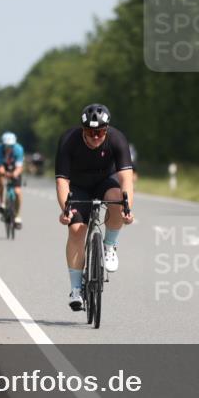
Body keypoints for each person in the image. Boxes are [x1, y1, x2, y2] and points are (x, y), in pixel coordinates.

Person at [55, 103, 134, 311]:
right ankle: (76, 289)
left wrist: (127, 209)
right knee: (76, 229)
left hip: (105, 183)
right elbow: (62, 181)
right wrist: (65, 210)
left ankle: (110, 246)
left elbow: (126, 179)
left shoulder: (117, 139)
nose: (96, 136)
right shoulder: (69, 140)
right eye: (91, 132)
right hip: (78, 187)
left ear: (106, 129)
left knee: (117, 198)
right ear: (83, 130)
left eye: (100, 132)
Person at [0, 132, 25, 227]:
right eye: (6, 146)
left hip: (15, 167)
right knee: (0, 179)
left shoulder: (19, 149)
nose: (8, 148)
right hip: (3, 166)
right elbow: (0, 167)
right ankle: (2, 203)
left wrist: (14, 174)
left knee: (18, 192)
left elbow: (19, 167)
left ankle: (18, 216)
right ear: (3, 144)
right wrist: (4, 174)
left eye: (11, 146)